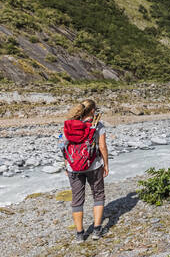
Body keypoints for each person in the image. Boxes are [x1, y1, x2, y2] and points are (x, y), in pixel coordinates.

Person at [64, 99, 109, 243]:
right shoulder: (97, 125)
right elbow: (102, 147)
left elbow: (64, 146)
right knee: (98, 195)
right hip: (94, 165)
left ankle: (79, 234)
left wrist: (67, 164)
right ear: (92, 111)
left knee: (77, 199)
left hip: (73, 167)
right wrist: (106, 164)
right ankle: (96, 230)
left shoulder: (70, 125)